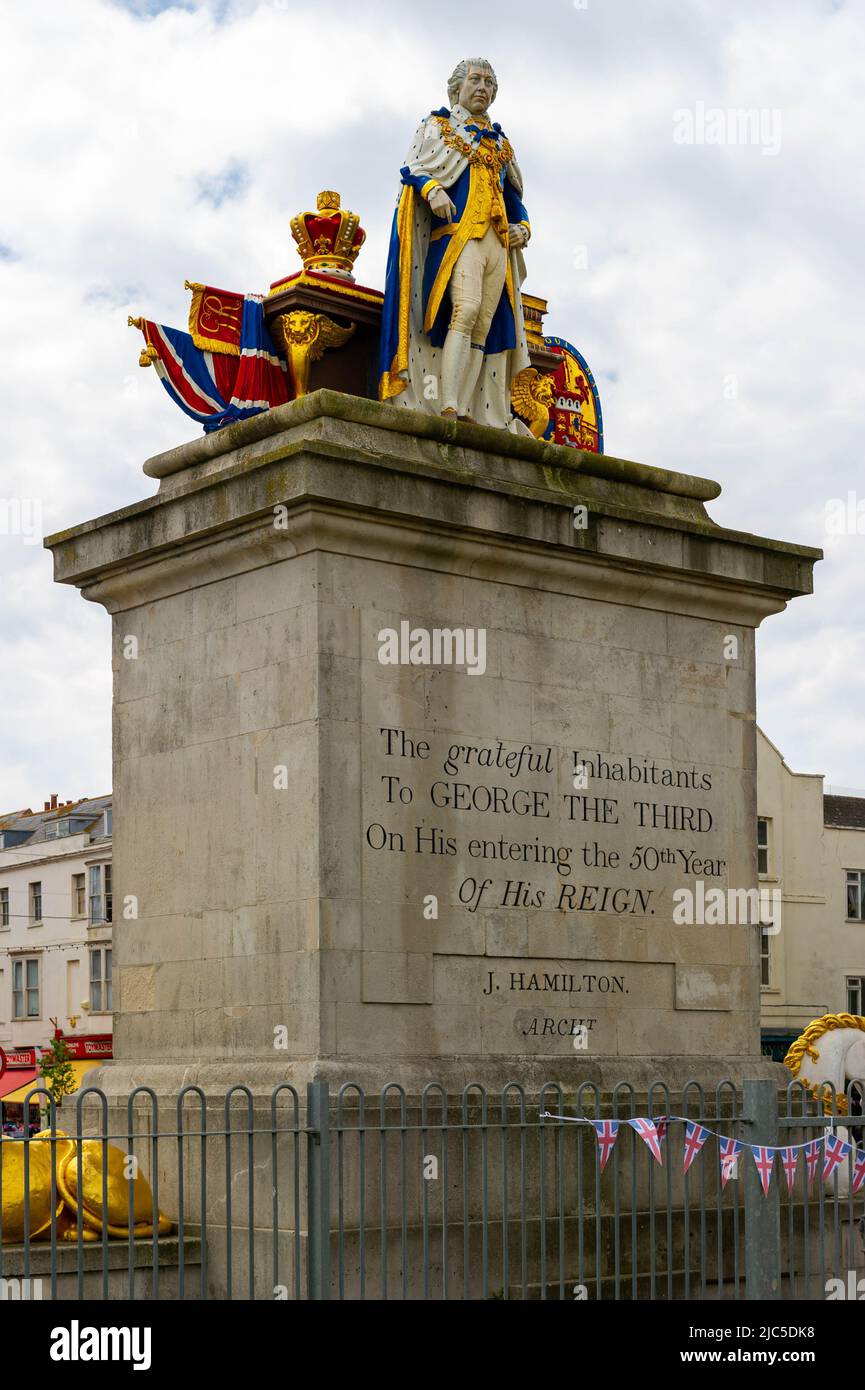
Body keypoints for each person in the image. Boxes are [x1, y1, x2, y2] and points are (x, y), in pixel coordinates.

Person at [379, 58, 532, 430]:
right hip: (460, 236)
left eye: (489, 83)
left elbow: (513, 198)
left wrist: (523, 228)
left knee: (483, 324)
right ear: (457, 88)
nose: (483, 87)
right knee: (465, 310)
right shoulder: (439, 127)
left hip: (497, 243)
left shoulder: (500, 142)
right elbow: (414, 169)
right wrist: (431, 191)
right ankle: (446, 403)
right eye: (476, 80)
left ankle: (467, 408)